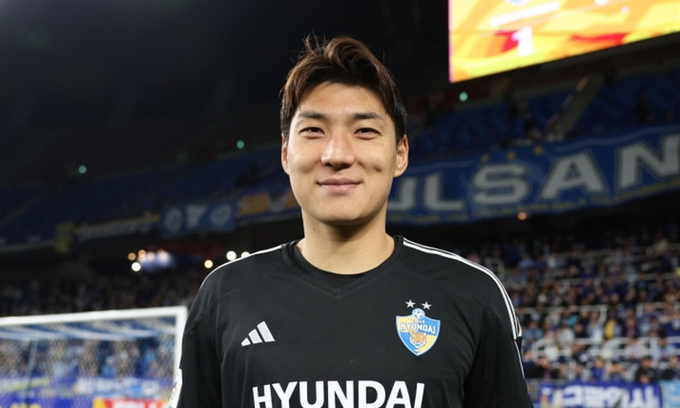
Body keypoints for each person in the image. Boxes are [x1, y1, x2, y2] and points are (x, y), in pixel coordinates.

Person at [171, 35, 532, 408]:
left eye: (365, 131)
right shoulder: (225, 295)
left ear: (400, 154)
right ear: (285, 154)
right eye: (314, 130)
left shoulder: (474, 295)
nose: (337, 154)